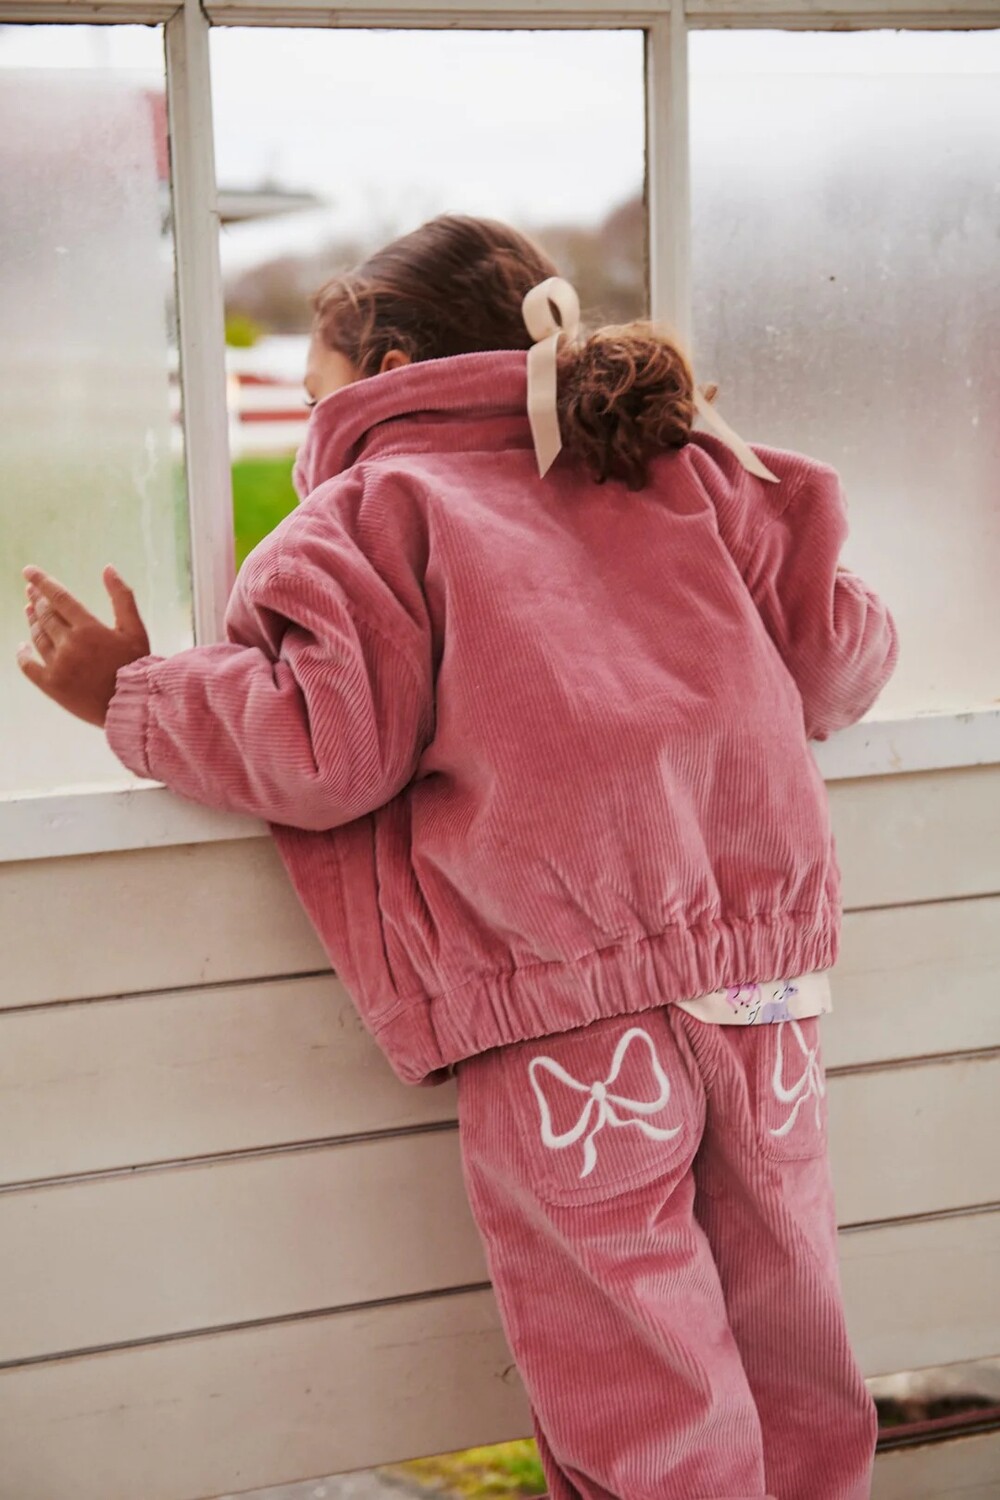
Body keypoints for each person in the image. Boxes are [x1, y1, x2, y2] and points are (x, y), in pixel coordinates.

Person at [18, 215, 896, 1500]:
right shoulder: (683, 470)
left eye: (316, 393)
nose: (315, 424)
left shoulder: (379, 512)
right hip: (764, 986)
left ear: (387, 366)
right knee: (790, 1317)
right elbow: (838, 659)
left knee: (639, 1359)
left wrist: (131, 695)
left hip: (566, 1007)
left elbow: (327, 748)